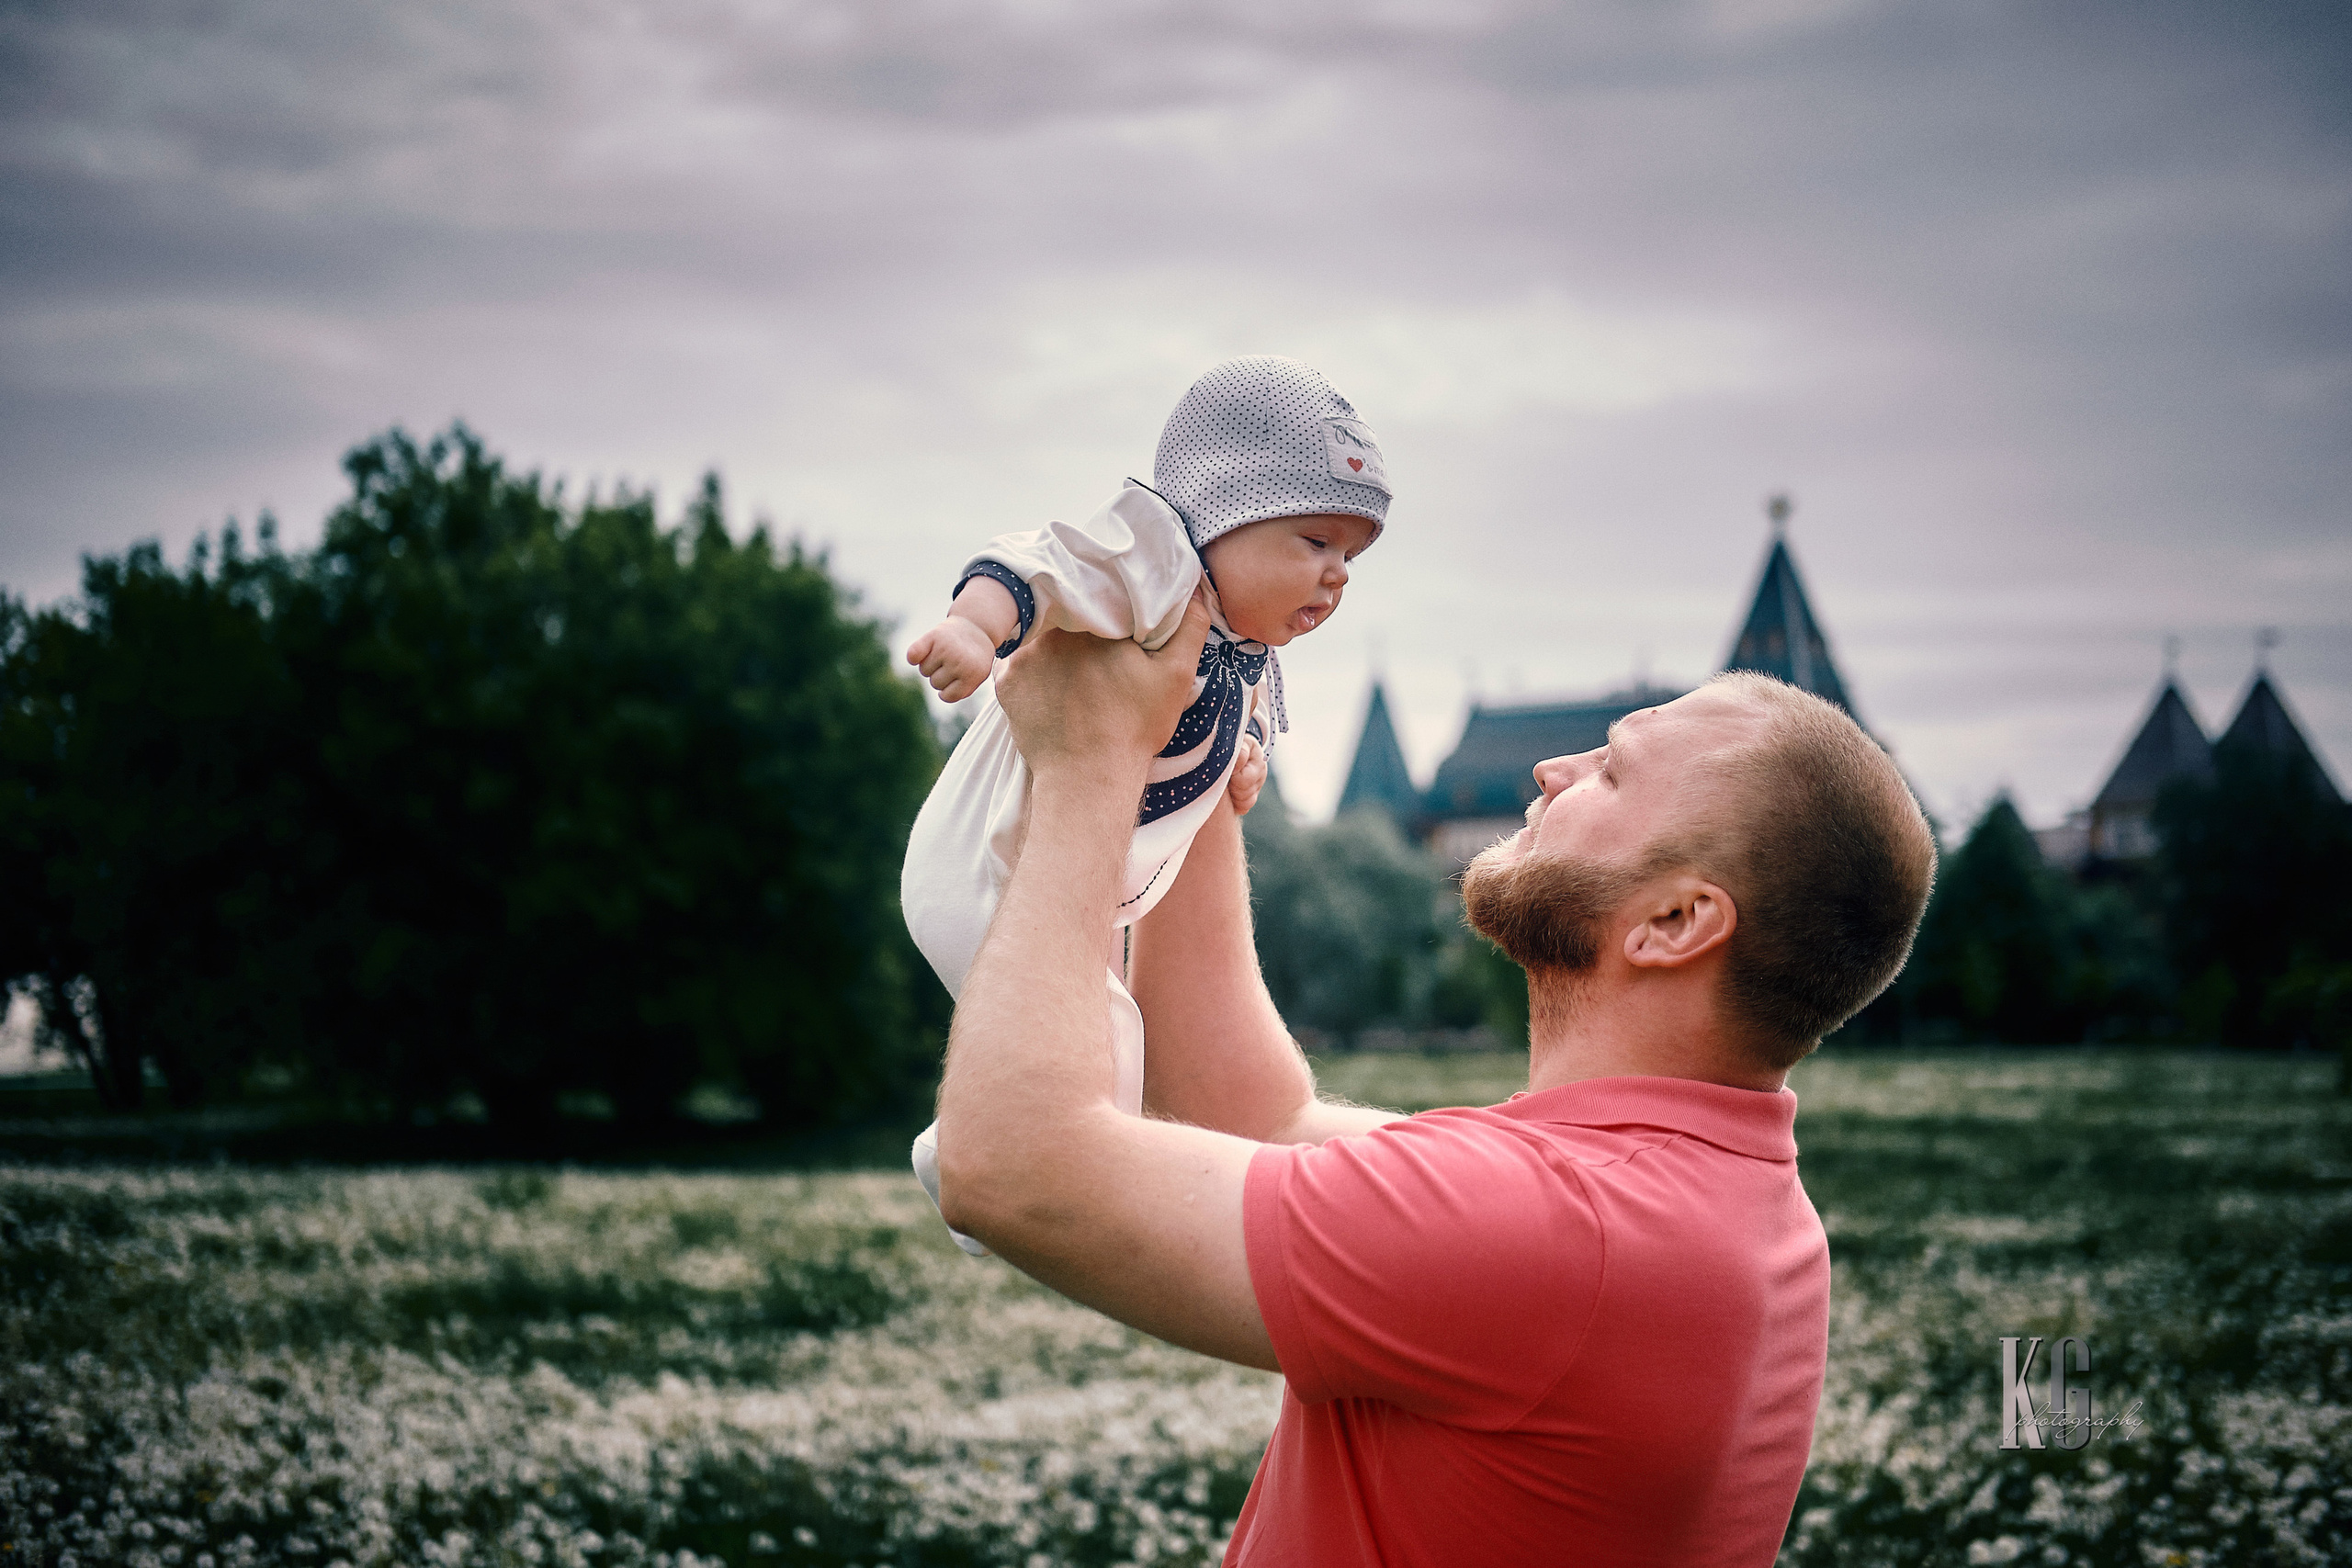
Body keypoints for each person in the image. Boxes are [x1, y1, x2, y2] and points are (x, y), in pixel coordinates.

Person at [931, 609, 1938, 1566]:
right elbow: (1249, 1120)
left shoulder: (1562, 1229)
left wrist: (1087, 768)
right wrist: (1187, 779)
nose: (1554, 767)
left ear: (1675, 921)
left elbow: (1009, 1168)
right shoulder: (1700, 1200)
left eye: (1612, 774)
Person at [900, 355, 1393, 1252]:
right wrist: (976, 627)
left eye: (1351, 555)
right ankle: (987, 1162)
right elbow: (1042, 561)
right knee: (1093, 1049)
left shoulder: (1236, 644)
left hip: (1059, 882)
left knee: (1110, 1051)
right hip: (984, 859)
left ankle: (979, 1153)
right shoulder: (1155, 564)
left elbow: (1200, 730)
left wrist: (1236, 766)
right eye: (1314, 542)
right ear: (1223, 514)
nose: (1337, 575)